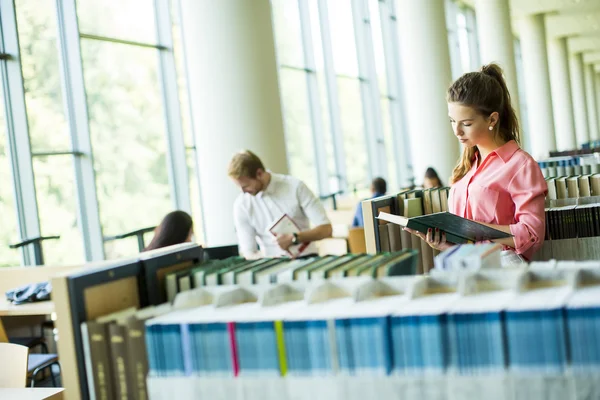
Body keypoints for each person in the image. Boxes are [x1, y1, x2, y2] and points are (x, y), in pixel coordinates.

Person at [405, 63, 547, 263]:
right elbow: (466, 240)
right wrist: (443, 243)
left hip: (502, 265)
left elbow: (532, 234)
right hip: (465, 263)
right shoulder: (466, 166)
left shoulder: (520, 165)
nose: (457, 131)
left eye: (467, 124)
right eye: (452, 121)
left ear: (492, 119)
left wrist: (476, 230)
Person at [229, 150, 332, 258]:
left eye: (246, 186)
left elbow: (326, 230)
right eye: (239, 187)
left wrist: (295, 238)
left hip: (307, 258)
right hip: (270, 264)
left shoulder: (295, 187)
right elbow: (248, 252)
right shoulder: (242, 204)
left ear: (259, 174)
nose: (243, 192)